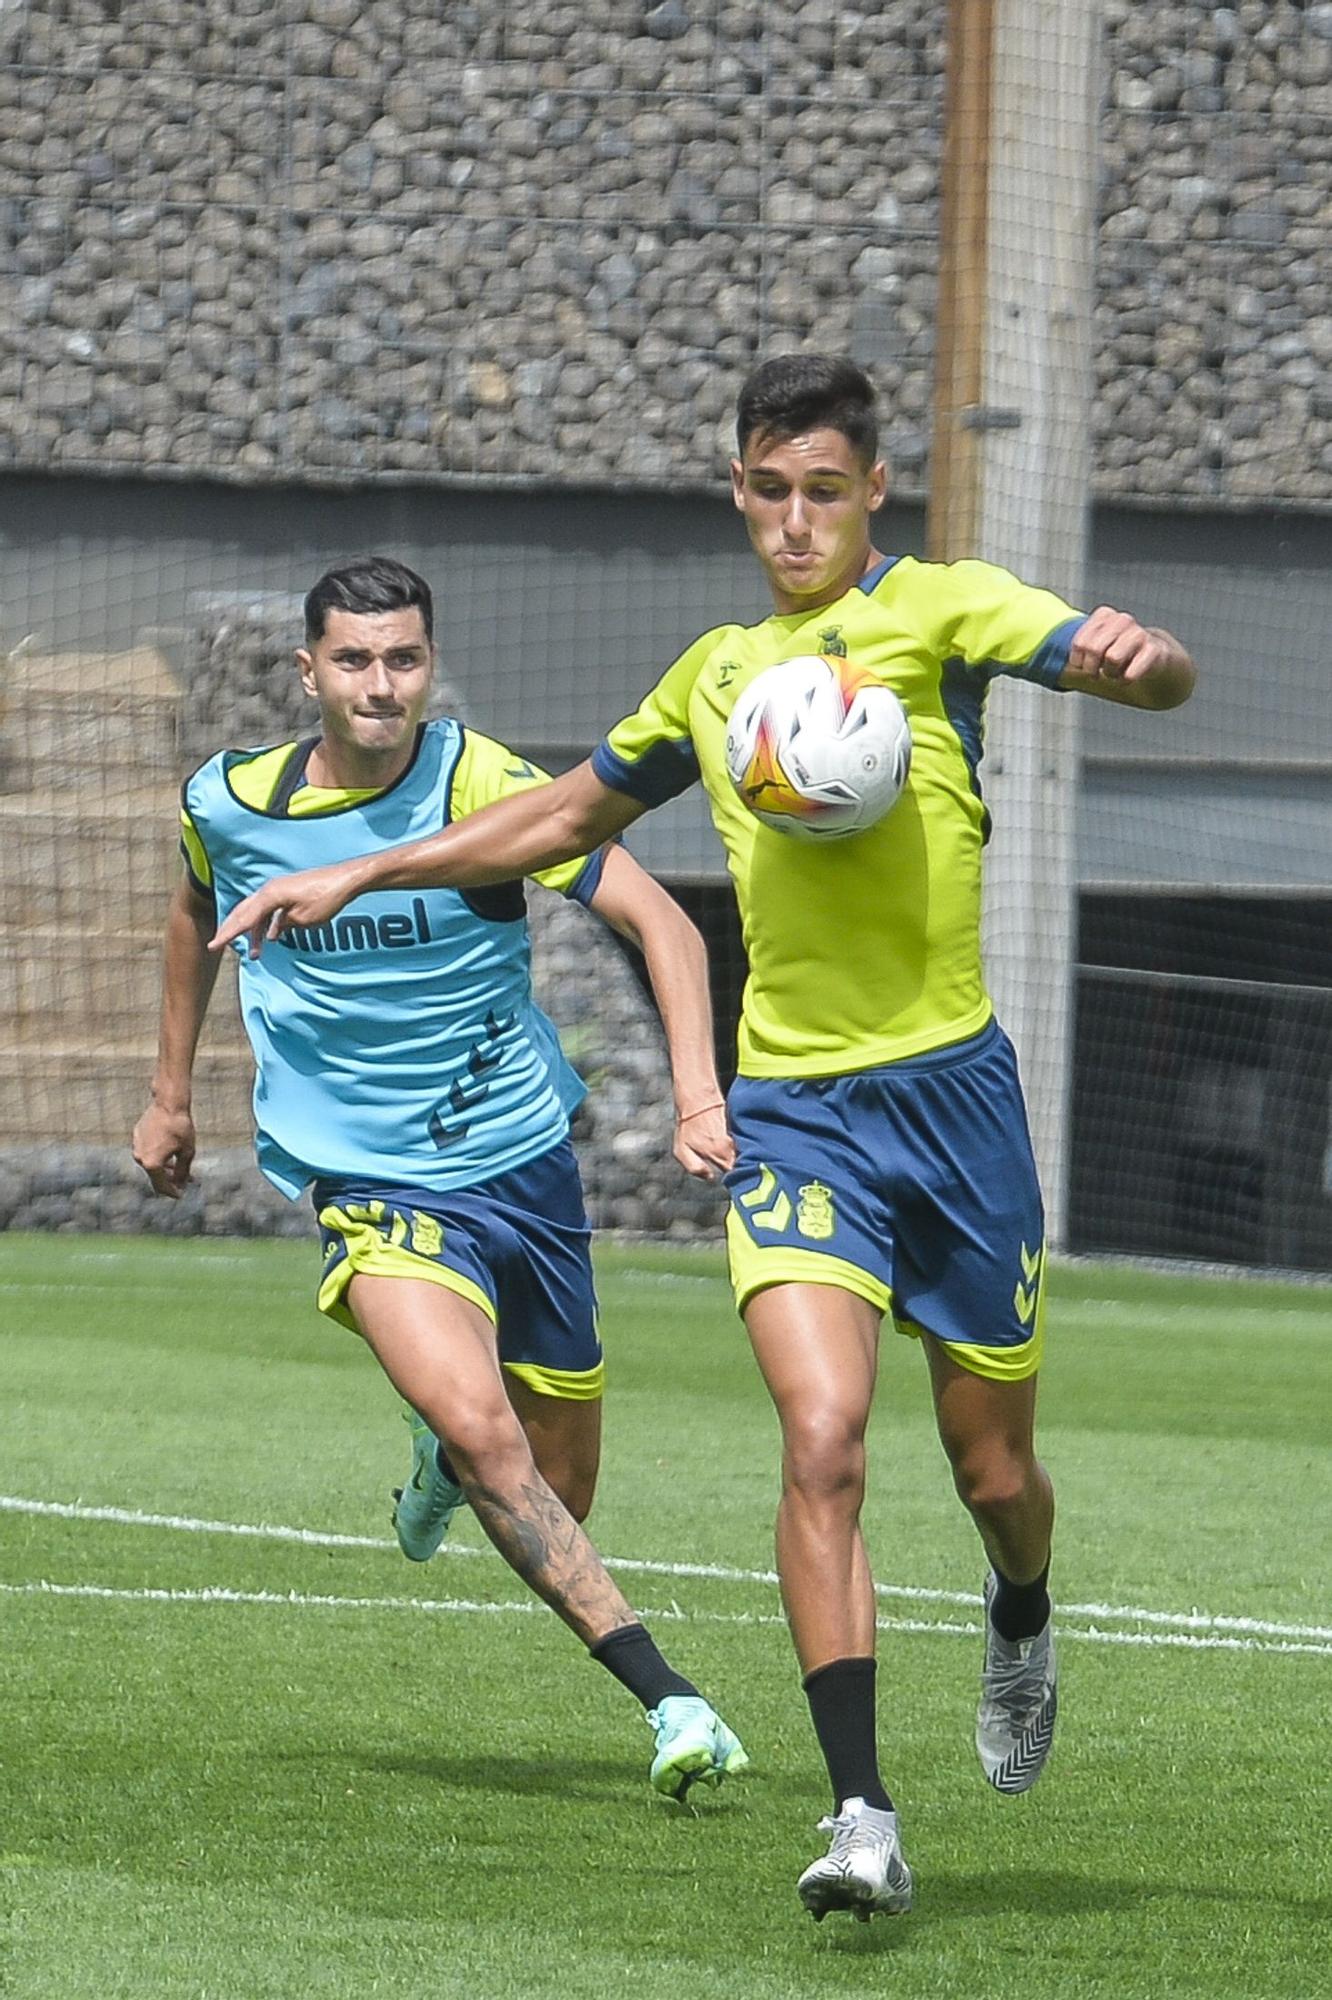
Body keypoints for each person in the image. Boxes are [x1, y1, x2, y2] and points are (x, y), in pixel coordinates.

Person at [211, 360, 1198, 1920]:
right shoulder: (718, 673)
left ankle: (1022, 1608)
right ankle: (862, 1812)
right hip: (794, 1112)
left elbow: (1122, 665)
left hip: (954, 1103)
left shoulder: (944, 611)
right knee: (821, 1438)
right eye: (767, 487)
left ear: (874, 491)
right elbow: (558, 818)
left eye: (824, 488)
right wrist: (364, 871)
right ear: (737, 493)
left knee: (993, 1465)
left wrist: (1147, 663)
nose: (795, 518)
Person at [132, 554, 748, 1804]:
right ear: (308, 671)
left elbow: (667, 923)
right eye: (353, 660)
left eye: (402, 659)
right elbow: (196, 911)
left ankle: (436, 1449)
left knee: (558, 1482)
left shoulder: (483, 785)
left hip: (521, 1167)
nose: (379, 684)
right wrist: (166, 1091)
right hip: (366, 1183)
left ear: (429, 666)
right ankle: (675, 1702)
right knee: (488, 1437)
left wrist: (697, 1092)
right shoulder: (229, 801)